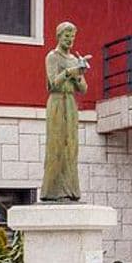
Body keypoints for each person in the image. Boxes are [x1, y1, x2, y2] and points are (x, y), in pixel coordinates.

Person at [41, 21, 90, 202]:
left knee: (71, 146)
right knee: (56, 144)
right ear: (59, 36)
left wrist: (79, 71)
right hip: (56, 101)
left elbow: (83, 88)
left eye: (72, 37)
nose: (70, 40)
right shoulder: (52, 57)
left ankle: (71, 189)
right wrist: (70, 71)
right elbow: (53, 82)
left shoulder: (74, 60)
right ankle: (52, 190)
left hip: (70, 103)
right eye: (66, 36)